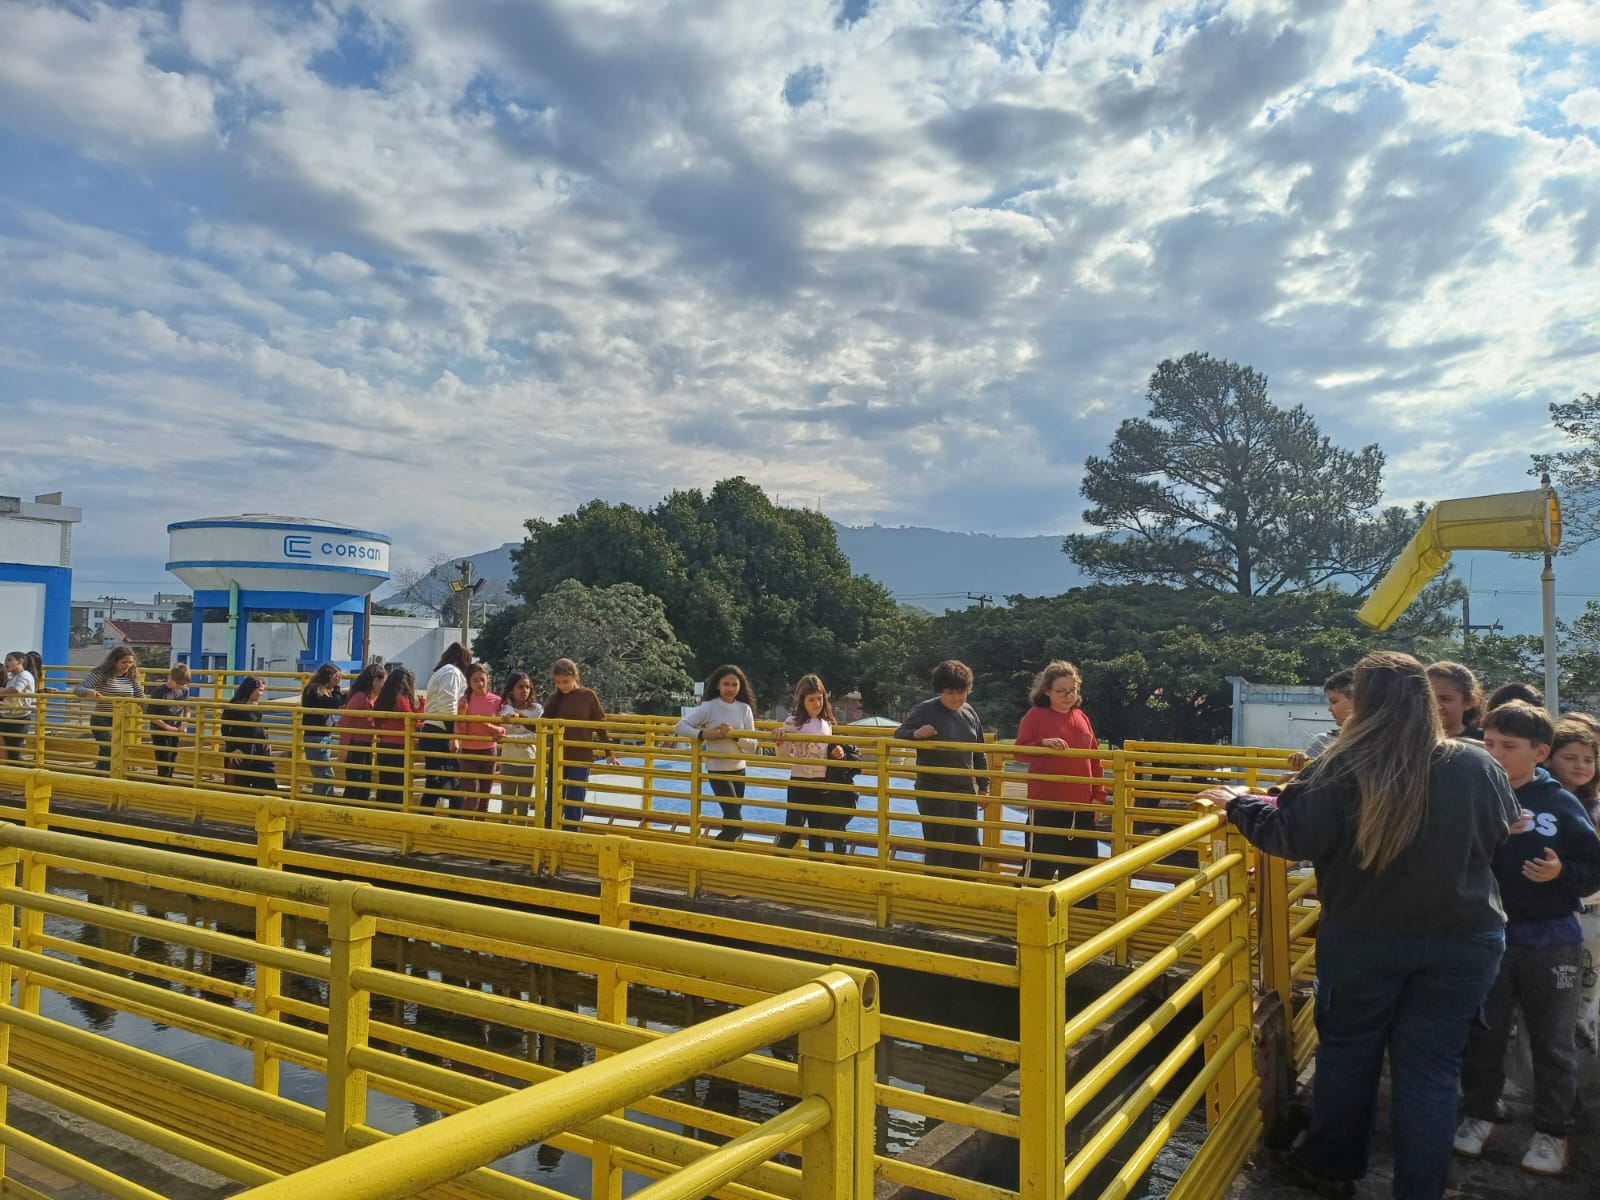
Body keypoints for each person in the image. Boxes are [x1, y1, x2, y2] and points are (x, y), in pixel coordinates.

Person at [1194, 650, 1519, 1200]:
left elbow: (1289, 836)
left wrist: (1239, 806)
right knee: (1433, 1069)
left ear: (1363, 701)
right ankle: (1421, 1188)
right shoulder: (1475, 763)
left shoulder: (1341, 765)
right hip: (1465, 941)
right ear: (1423, 697)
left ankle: (1331, 1167)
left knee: (1348, 1053)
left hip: (1365, 938)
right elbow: (1499, 835)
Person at [1455, 702, 1600, 1176]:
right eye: (1490, 743)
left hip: (1551, 938)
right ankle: (1481, 1114)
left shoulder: (1559, 802)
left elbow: (1591, 867)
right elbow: (1451, 855)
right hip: (1485, 935)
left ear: (1540, 753)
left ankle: (1553, 1131)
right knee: (1485, 1034)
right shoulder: (1473, 793)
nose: (1495, 753)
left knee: (1552, 1041)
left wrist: (1561, 874)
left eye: (1508, 747)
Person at [1014, 661, 1105, 883]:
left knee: (1082, 870)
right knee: (1038, 868)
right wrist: (1043, 743)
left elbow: (1094, 759)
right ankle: (1023, 911)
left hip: (1082, 807)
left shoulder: (1081, 717)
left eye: (1072, 690)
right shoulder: (1036, 715)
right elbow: (1019, 752)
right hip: (1047, 806)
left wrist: (1098, 796)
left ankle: (1081, 915)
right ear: (1047, 691)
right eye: (1061, 691)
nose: (1068, 696)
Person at [895, 660, 989, 875]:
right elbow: (899, 733)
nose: (956, 698)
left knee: (968, 849)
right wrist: (915, 734)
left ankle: (964, 898)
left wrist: (984, 786)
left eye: (961, 691)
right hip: (934, 789)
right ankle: (936, 901)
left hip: (964, 790)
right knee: (941, 849)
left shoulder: (970, 712)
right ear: (939, 691)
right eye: (950, 692)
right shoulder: (925, 709)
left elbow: (979, 750)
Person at [1544, 718, 1600, 1055]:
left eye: (1588, 759)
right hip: (1554, 915)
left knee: (1586, 996)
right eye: (1571, 757)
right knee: (1553, 1002)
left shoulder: (1595, 807)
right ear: (1548, 757)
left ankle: (1585, 1077)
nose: (1581, 766)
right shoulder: (1540, 804)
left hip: (1593, 915)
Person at [675, 665, 760, 841]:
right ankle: (711, 858)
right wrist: (704, 734)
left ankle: (722, 861)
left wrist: (735, 735)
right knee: (736, 825)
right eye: (726, 684)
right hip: (718, 771)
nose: (730, 688)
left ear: (740, 687)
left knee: (730, 823)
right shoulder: (709, 707)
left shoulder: (745, 709)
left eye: (734, 684)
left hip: (739, 770)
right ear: (717, 686)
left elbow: (753, 746)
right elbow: (680, 726)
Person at [774, 675, 849, 854]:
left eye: (819, 698)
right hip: (799, 782)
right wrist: (780, 740)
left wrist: (839, 751)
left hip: (821, 784)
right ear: (802, 701)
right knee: (793, 831)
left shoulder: (827, 723)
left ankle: (817, 871)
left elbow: (830, 751)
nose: (817, 703)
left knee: (818, 833)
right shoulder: (793, 722)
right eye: (811, 699)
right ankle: (775, 865)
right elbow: (783, 756)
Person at [542, 659, 619, 826]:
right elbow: (543, 724)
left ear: (576, 677)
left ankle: (572, 836)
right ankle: (549, 835)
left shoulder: (588, 696)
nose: (562, 686)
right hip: (558, 754)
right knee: (553, 799)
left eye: (565, 681)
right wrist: (520, 718)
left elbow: (600, 724)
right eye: (558, 682)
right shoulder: (555, 699)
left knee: (574, 800)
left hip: (580, 756)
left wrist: (609, 752)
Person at [73, 646, 147, 772]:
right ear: (114, 661)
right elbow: (78, 689)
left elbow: (141, 698)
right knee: (109, 747)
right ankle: (105, 775)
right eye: (124, 662)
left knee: (111, 750)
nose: (127, 665)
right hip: (102, 718)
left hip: (121, 720)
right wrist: (89, 691)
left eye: (130, 662)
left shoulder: (131, 676)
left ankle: (102, 775)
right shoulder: (101, 673)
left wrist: (153, 714)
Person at [420, 642, 471, 810]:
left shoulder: (440, 672)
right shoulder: (453, 673)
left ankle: (422, 823)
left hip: (432, 729)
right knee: (456, 785)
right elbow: (448, 705)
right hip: (442, 730)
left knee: (434, 785)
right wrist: (454, 736)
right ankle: (454, 825)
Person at [455, 663, 505, 814]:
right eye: (475, 680)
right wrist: (462, 715)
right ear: (469, 682)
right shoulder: (464, 701)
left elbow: (503, 731)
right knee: (472, 796)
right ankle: (468, 832)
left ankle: (480, 833)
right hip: (468, 753)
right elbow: (460, 732)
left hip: (489, 753)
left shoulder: (497, 701)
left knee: (484, 799)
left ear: (488, 679)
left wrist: (488, 725)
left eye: (482, 679)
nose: (479, 684)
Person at [337, 663, 386, 804]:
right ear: (375, 681)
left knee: (364, 781)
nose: (384, 686)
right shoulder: (360, 697)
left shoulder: (370, 698)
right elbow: (344, 720)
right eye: (383, 682)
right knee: (355, 782)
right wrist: (345, 748)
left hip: (365, 744)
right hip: (356, 745)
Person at [497, 671, 542, 820]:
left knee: (524, 806)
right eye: (520, 687)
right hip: (508, 761)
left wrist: (509, 737)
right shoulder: (504, 709)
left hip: (528, 761)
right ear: (512, 689)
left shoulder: (536, 710)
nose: (525, 691)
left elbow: (534, 736)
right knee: (507, 805)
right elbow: (501, 731)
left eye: (527, 687)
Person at [370, 667, 418, 806]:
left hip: (384, 744)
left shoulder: (383, 699)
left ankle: (381, 809)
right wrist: (420, 707)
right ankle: (393, 811)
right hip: (399, 746)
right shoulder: (401, 698)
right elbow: (412, 718)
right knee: (398, 783)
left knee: (385, 781)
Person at [221, 677, 277, 791]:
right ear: (251, 689)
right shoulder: (235, 705)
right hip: (240, 750)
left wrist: (266, 741)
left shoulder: (256, 705)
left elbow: (258, 726)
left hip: (258, 748)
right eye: (260, 690)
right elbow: (225, 728)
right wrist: (233, 749)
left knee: (266, 783)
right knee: (239, 786)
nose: (261, 694)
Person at [299, 663, 345, 797]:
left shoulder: (318, 690)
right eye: (337, 676)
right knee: (324, 775)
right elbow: (334, 705)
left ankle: (321, 802)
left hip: (321, 736)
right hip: (316, 737)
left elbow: (337, 702)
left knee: (323, 773)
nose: (339, 679)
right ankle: (321, 804)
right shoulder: (316, 690)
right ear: (330, 676)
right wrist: (337, 687)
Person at [145, 663, 191, 780]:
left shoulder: (184, 691)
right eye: (178, 683)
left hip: (175, 729)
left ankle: (168, 780)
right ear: (170, 677)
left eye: (183, 683)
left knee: (172, 757)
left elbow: (187, 709)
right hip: (160, 730)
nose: (180, 686)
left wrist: (185, 723)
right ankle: (163, 782)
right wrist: (166, 727)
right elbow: (151, 714)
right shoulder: (159, 691)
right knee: (164, 758)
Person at [1426, 661, 1484, 741]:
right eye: (1429, 698)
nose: (1435, 705)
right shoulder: (1408, 739)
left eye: (1445, 699)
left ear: (1469, 702)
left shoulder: (1489, 741)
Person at [0, 651, 38, 764]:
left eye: (9, 660)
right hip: (8, 716)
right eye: (6, 660)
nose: (6, 662)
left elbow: (15, 690)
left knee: (14, 752)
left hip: (18, 719)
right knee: (8, 751)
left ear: (20, 661)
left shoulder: (25, 675)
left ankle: (21, 777)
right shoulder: (14, 677)